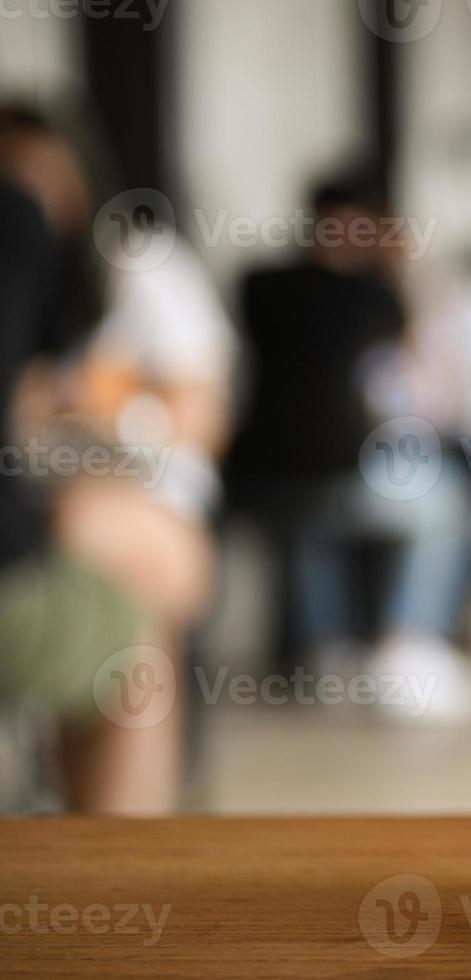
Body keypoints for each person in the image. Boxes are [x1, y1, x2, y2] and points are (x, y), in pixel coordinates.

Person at [0, 106, 207, 813]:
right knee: (134, 611)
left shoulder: (137, 269)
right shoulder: (25, 244)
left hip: (115, 480)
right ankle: (116, 873)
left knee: (131, 548)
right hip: (51, 502)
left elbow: (198, 418)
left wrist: (89, 407)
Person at [228, 173, 471, 722]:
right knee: (445, 503)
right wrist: (400, 265)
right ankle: (406, 641)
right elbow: (426, 375)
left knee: (310, 522)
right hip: (333, 473)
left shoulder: (258, 283)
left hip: (252, 470)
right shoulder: (372, 295)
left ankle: (326, 650)